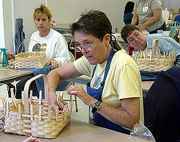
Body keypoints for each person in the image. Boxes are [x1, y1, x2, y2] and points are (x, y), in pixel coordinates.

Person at [47, 10, 143, 134]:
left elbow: (131, 121)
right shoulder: (92, 59)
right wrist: (51, 94)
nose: (83, 51)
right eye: (79, 45)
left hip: (124, 136)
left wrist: (91, 101)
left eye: (87, 43)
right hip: (103, 132)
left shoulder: (123, 65)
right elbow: (54, 74)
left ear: (106, 39)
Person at [15, 5, 71, 98]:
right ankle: (21, 111)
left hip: (53, 75)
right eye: (38, 20)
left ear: (49, 20)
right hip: (35, 73)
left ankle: (44, 107)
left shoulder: (57, 38)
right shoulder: (34, 36)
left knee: (34, 87)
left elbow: (66, 59)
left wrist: (56, 61)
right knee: (19, 86)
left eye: (44, 20)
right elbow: (31, 56)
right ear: (35, 21)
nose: (40, 23)